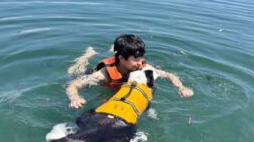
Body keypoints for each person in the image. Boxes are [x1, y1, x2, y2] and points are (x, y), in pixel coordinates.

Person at [65, 34, 193, 109]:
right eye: (136, 59)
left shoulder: (143, 67)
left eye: (141, 58)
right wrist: (75, 98)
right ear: (121, 58)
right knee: (74, 72)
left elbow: (169, 75)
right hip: (94, 71)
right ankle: (88, 54)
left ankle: (113, 49)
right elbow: (73, 85)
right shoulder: (102, 75)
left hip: (120, 60)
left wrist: (181, 87)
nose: (140, 62)